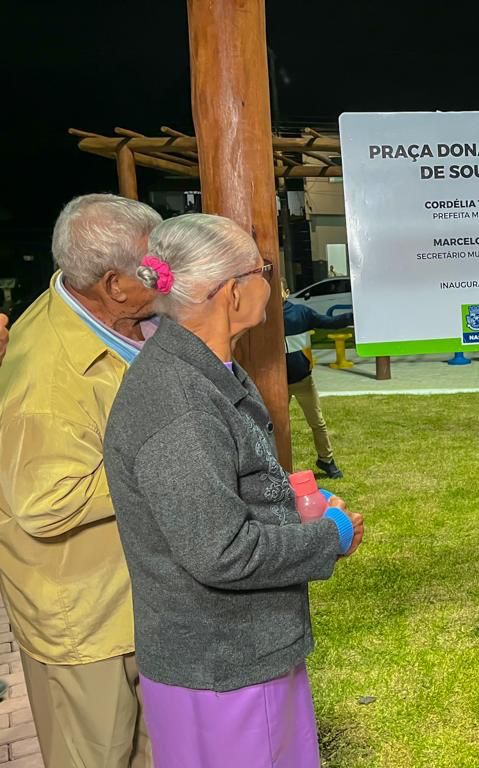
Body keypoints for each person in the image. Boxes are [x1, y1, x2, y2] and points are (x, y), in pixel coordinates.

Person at [102, 213, 364, 768]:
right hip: (226, 662)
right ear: (231, 291)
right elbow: (222, 552)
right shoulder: (181, 402)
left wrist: (285, 508)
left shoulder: (195, 370)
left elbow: (211, 506)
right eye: (263, 268)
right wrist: (329, 536)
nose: (271, 281)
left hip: (228, 655)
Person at [0, 194, 161, 767]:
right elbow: (43, 502)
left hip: (127, 602)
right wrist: (165, 470)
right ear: (115, 284)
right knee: (96, 757)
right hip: (85, 622)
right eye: (158, 266)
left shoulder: (111, 318)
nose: (169, 275)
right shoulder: (47, 377)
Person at [283, 279, 352, 478]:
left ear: (286, 292)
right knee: (276, 426)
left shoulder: (301, 313)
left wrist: (352, 316)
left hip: (303, 380)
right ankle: (277, 464)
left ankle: (326, 460)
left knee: (317, 423)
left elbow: (329, 322)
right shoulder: (262, 317)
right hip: (277, 385)